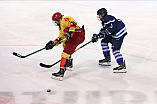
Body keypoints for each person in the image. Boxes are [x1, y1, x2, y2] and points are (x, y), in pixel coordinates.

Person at [45, 12, 85, 80]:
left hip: (77, 35)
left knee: (65, 53)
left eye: (56, 20)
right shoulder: (61, 28)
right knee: (65, 44)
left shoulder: (65, 20)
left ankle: (61, 73)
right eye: (54, 21)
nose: (56, 22)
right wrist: (53, 43)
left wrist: (71, 32)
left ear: (60, 19)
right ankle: (69, 63)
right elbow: (61, 38)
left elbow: (73, 23)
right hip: (76, 36)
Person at [91, 8, 127, 73]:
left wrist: (103, 34)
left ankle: (122, 66)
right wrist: (98, 35)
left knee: (115, 50)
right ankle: (107, 59)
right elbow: (105, 30)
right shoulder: (105, 20)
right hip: (114, 34)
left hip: (118, 35)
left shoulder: (107, 18)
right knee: (104, 42)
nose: (98, 16)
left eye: (99, 15)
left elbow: (112, 30)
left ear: (103, 14)